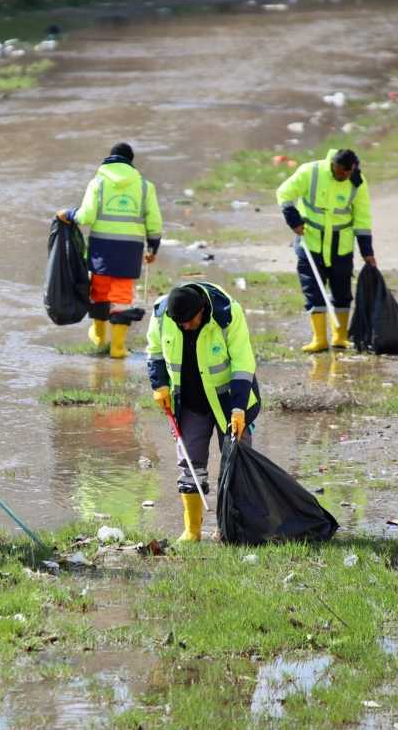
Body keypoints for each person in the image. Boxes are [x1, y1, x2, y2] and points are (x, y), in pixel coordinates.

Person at [146, 282, 260, 542]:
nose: (184, 326)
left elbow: (243, 363)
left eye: (188, 321)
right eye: (180, 323)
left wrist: (239, 408)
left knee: (236, 464)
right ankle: (192, 530)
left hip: (229, 401)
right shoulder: (163, 314)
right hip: (189, 403)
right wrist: (160, 385)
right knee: (189, 464)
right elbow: (154, 351)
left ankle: (230, 530)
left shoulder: (227, 314)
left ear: (202, 310)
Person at [57, 142, 163, 358]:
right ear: (130, 162)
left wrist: (67, 214)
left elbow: (85, 216)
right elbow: (154, 221)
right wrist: (153, 247)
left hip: (101, 249)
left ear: (110, 159)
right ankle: (117, 348)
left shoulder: (98, 183)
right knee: (122, 297)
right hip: (130, 251)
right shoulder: (145, 187)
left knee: (99, 293)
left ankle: (98, 336)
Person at [277, 148, 376, 352]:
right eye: (341, 172)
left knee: (342, 291)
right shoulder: (310, 172)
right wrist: (293, 220)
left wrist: (367, 251)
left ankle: (340, 337)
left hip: (341, 246)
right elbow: (284, 193)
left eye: (348, 173)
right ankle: (319, 339)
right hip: (311, 242)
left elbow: (362, 217)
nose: (343, 176)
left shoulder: (358, 182)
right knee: (313, 291)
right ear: (333, 165)